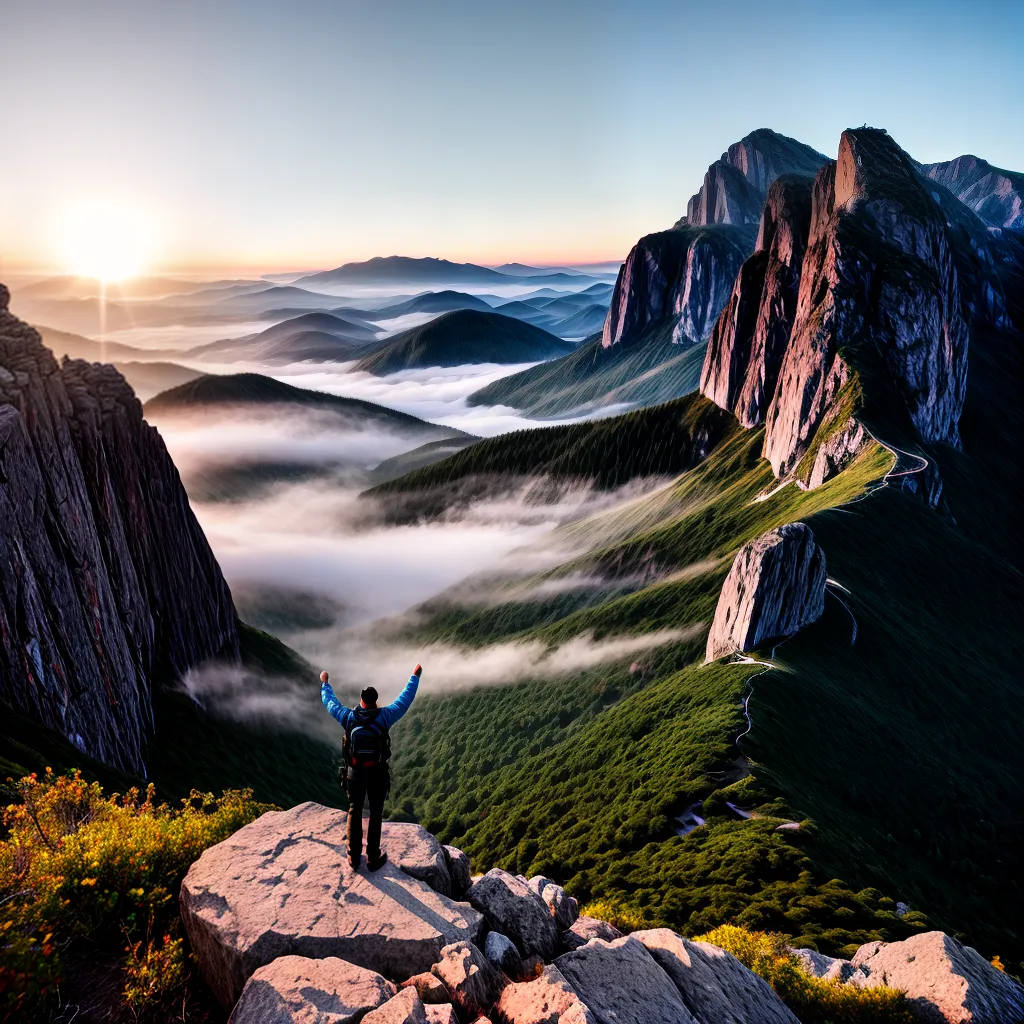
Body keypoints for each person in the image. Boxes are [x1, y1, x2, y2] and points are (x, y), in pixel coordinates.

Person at [320, 664, 422, 871]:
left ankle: (353, 856)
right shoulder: (385, 716)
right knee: (376, 812)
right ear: (375, 701)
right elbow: (405, 699)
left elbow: (329, 703)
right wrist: (415, 677)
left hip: (355, 771)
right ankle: (372, 857)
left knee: (354, 810)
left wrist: (325, 684)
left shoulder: (348, 717)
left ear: (361, 700)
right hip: (377, 771)